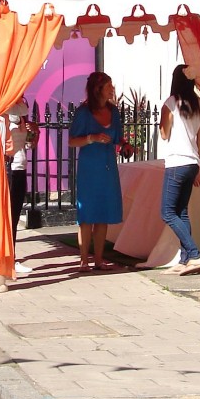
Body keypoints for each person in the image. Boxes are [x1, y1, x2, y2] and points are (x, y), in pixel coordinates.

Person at [68, 71, 123, 271]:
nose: (112, 90)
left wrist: (125, 145)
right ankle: (84, 260)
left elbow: (118, 137)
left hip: (108, 166)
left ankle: (98, 259)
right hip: (89, 168)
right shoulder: (83, 113)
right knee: (87, 214)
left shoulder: (114, 112)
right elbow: (72, 141)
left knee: (103, 213)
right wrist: (92, 138)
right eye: (108, 86)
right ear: (98, 89)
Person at [158, 65, 200, 275]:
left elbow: (163, 134)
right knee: (182, 211)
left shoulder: (170, 103)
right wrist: (199, 166)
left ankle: (195, 254)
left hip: (176, 161)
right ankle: (185, 258)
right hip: (192, 162)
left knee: (167, 212)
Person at [5, 95, 39, 275]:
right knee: (6, 214)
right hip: (6, 165)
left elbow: (30, 144)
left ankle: (11, 255)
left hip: (19, 166)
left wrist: (33, 131)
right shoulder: (4, 108)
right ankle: (5, 256)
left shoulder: (21, 110)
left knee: (14, 214)